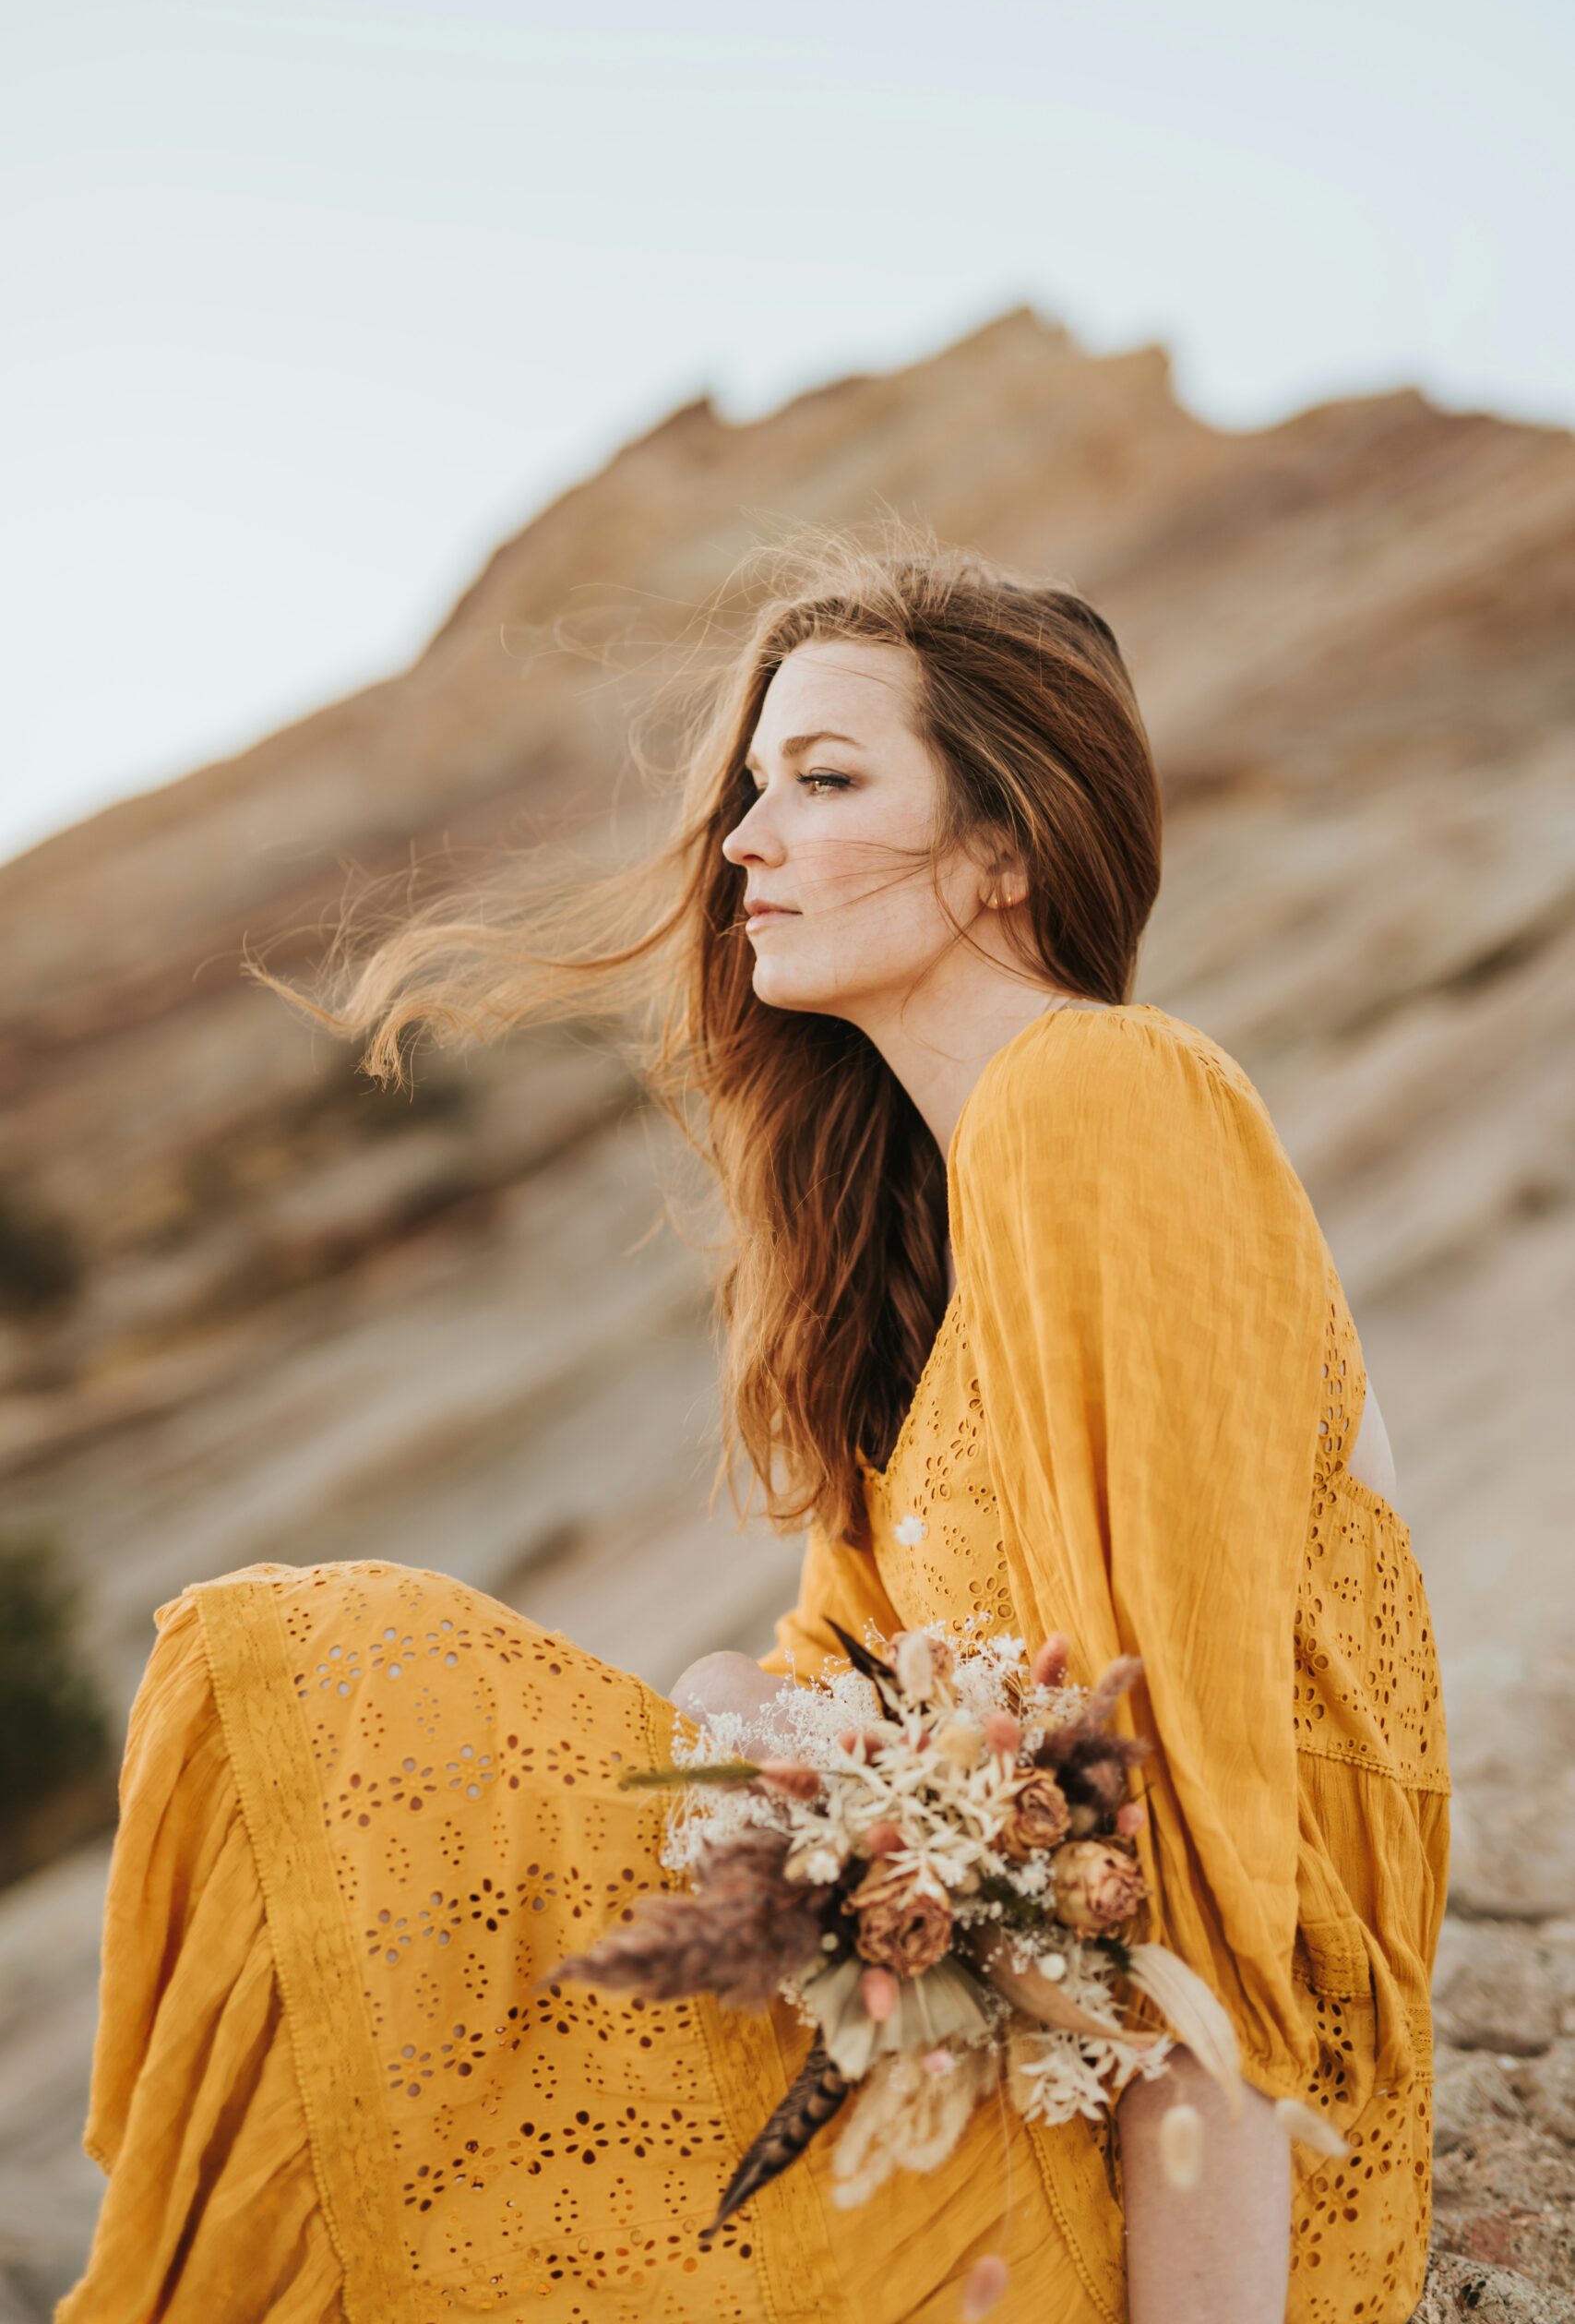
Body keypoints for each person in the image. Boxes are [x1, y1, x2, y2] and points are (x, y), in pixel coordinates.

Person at [60, 526, 1447, 2323]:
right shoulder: (919, 1253)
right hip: (996, 2055)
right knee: (349, 1783)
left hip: (1197, 2144)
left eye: (826, 778)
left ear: (1005, 846)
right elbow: (822, 1683)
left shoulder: (1105, 1095)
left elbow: (1193, 1818)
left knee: (328, 1664)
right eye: (751, 784)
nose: (743, 839)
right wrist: (734, 1697)